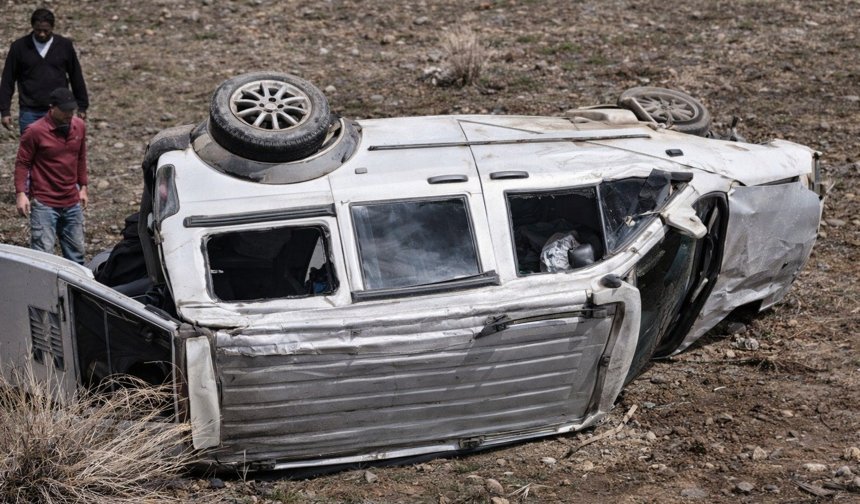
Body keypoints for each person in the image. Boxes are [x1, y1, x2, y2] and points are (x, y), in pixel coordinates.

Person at [14, 87, 88, 263]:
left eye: (72, 110)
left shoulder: (79, 126)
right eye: (64, 110)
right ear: (52, 108)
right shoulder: (35, 131)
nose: (69, 114)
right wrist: (21, 193)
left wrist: (83, 187)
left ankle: (77, 290)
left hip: (71, 200)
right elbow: (23, 163)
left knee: (77, 255)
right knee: (44, 259)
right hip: (44, 202)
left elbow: (81, 157)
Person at [1, 8, 89, 134]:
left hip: (60, 110)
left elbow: (76, 76)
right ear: (32, 27)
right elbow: (7, 80)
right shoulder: (19, 47)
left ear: (52, 28)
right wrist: (5, 110)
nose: (42, 34)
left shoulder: (64, 46)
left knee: (59, 151)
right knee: (31, 151)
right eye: (38, 30)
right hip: (30, 111)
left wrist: (82, 105)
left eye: (45, 31)